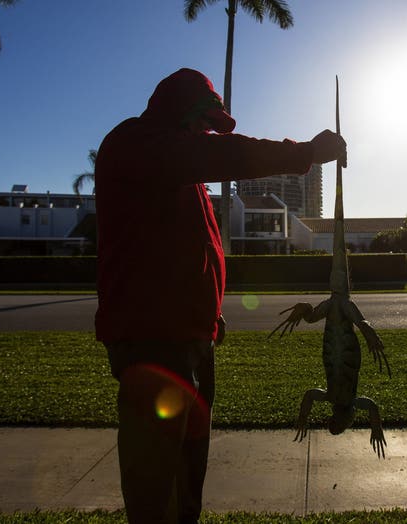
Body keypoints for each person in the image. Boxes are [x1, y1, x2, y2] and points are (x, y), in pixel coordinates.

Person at [94, 68, 346, 524]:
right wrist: (306, 153)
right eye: (203, 122)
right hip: (153, 343)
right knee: (155, 490)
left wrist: (210, 315)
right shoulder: (137, 144)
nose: (206, 133)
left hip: (190, 339)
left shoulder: (180, 174)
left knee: (189, 477)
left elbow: (192, 250)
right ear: (180, 113)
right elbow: (226, 154)